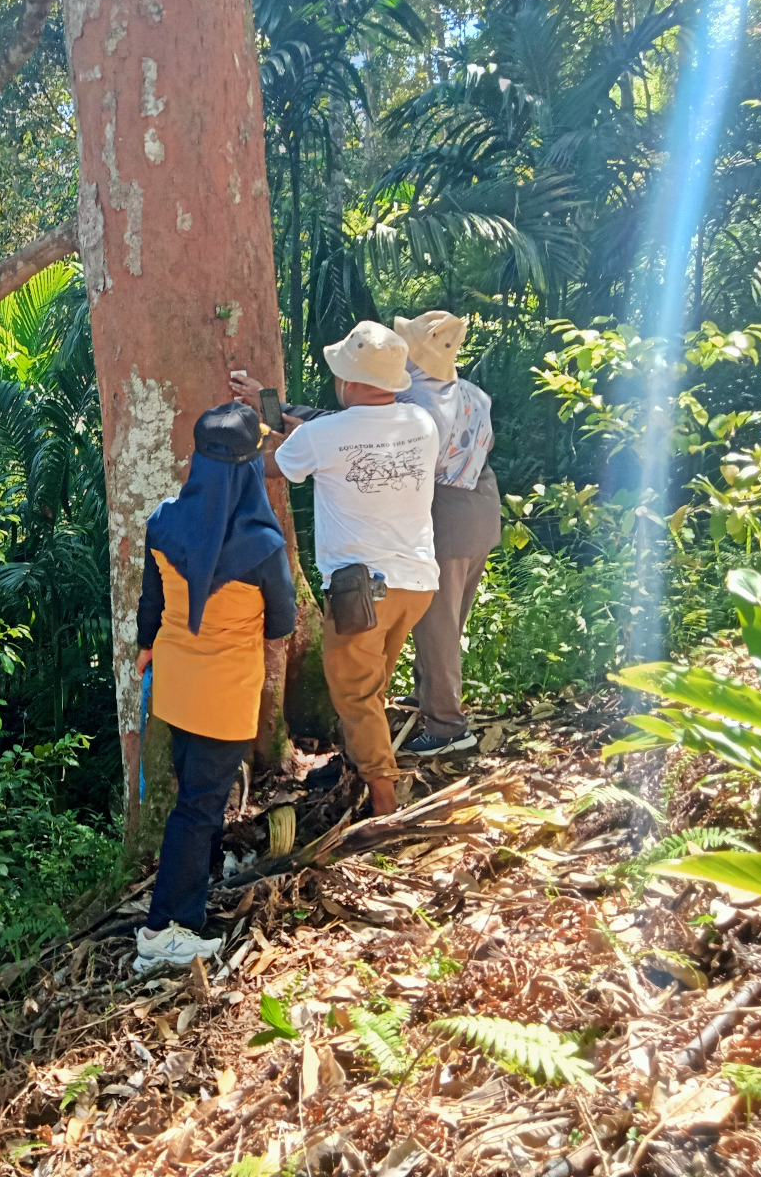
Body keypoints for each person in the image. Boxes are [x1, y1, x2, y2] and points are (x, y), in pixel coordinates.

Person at [134, 402, 298, 971]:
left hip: (176, 684)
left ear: (198, 461)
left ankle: (193, 891)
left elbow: (151, 598)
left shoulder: (163, 521)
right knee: (198, 809)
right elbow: (283, 622)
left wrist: (145, 641)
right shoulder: (263, 547)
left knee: (194, 796)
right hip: (227, 696)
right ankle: (166, 930)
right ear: (252, 466)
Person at [260, 321, 440, 817]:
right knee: (373, 682)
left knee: (355, 695)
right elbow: (340, 439)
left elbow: (279, 463)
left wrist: (240, 437)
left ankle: (384, 802)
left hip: (360, 592)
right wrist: (287, 420)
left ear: (354, 382)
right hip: (416, 583)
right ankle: (358, 768)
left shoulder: (326, 435)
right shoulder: (421, 423)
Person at [392, 311, 498, 756]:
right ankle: (429, 696)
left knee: (435, 625)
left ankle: (448, 726)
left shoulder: (410, 401)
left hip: (444, 517)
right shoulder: (474, 394)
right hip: (482, 507)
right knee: (448, 621)